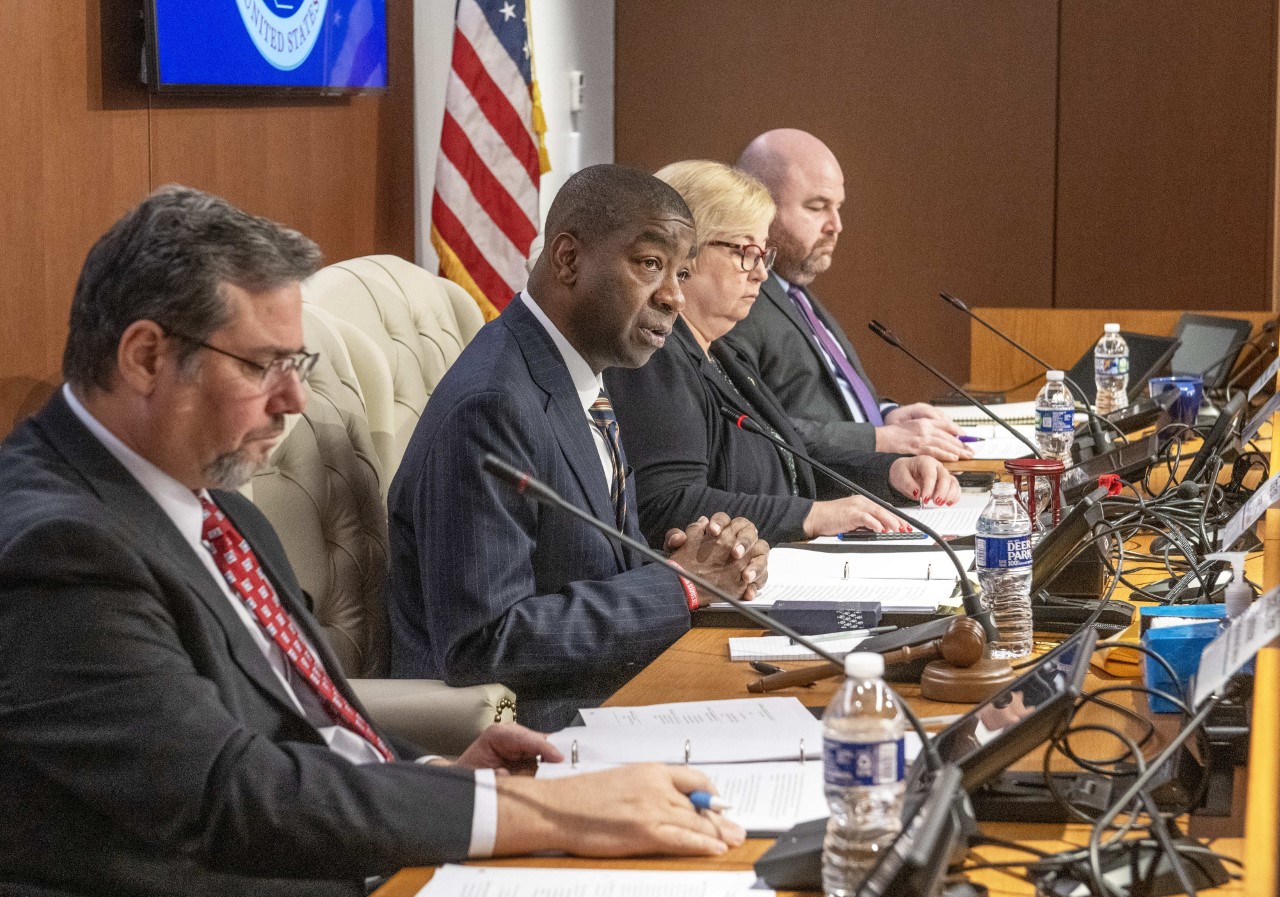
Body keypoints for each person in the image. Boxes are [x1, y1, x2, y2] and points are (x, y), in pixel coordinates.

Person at [0, 186, 745, 897]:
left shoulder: (216, 507)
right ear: (145, 357)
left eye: (298, 366)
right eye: (264, 366)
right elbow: (226, 794)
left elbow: (294, 718)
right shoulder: (57, 550)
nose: (293, 400)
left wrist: (436, 771)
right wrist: (559, 813)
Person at [388, 164, 770, 733]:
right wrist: (680, 584)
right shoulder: (496, 404)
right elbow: (484, 645)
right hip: (535, 732)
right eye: (650, 265)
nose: (672, 296)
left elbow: (587, 564)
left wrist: (693, 558)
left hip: (616, 692)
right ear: (567, 259)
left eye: (682, 272)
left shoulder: (583, 378)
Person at [607, 161, 959, 547]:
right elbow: (668, 504)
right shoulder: (654, 360)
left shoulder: (720, 354)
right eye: (745, 252)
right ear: (683, 255)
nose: (759, 273)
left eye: (764, 255)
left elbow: (788, 452)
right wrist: (811, 516)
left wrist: (890, 472)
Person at [725, 128, 974, 463]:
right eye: (817, 207)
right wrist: (880, 439)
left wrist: (885, 415)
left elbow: (826, 400)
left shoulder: (794, 293)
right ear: (759, 207)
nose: (836, 225)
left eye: (838, 207)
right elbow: (758, 430)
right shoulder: (742, 303)